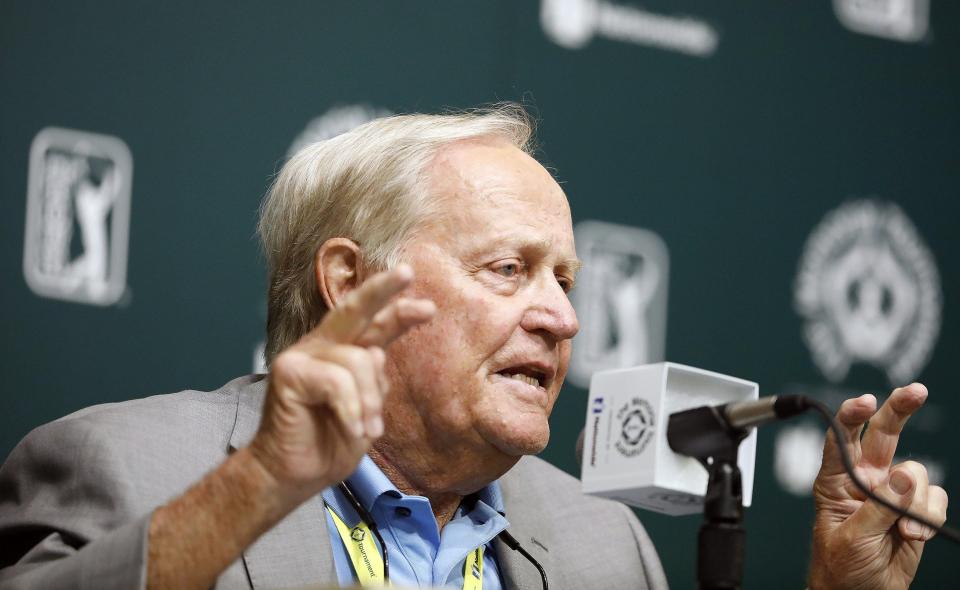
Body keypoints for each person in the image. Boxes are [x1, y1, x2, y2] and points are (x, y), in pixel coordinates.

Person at [0, 105, 948, 590]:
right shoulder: (123, 466)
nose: (562, 320)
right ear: (351, 284)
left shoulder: (604, 549)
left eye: (566, 281)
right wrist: (254, 489)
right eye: (509, 269)